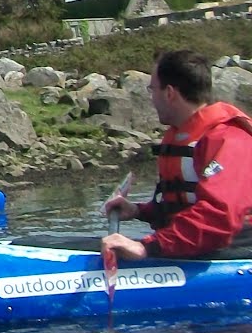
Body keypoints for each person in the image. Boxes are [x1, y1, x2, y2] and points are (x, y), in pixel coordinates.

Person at [102, 49, 252, 261]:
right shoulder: (183, 134)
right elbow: (184, 205)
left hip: (234, 253)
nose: (152, 98)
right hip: (193, 248)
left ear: (170, 93)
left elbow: (220, 216)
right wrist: (140, 211)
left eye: (152, 89)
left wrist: (147, 247)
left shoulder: (228, 139)